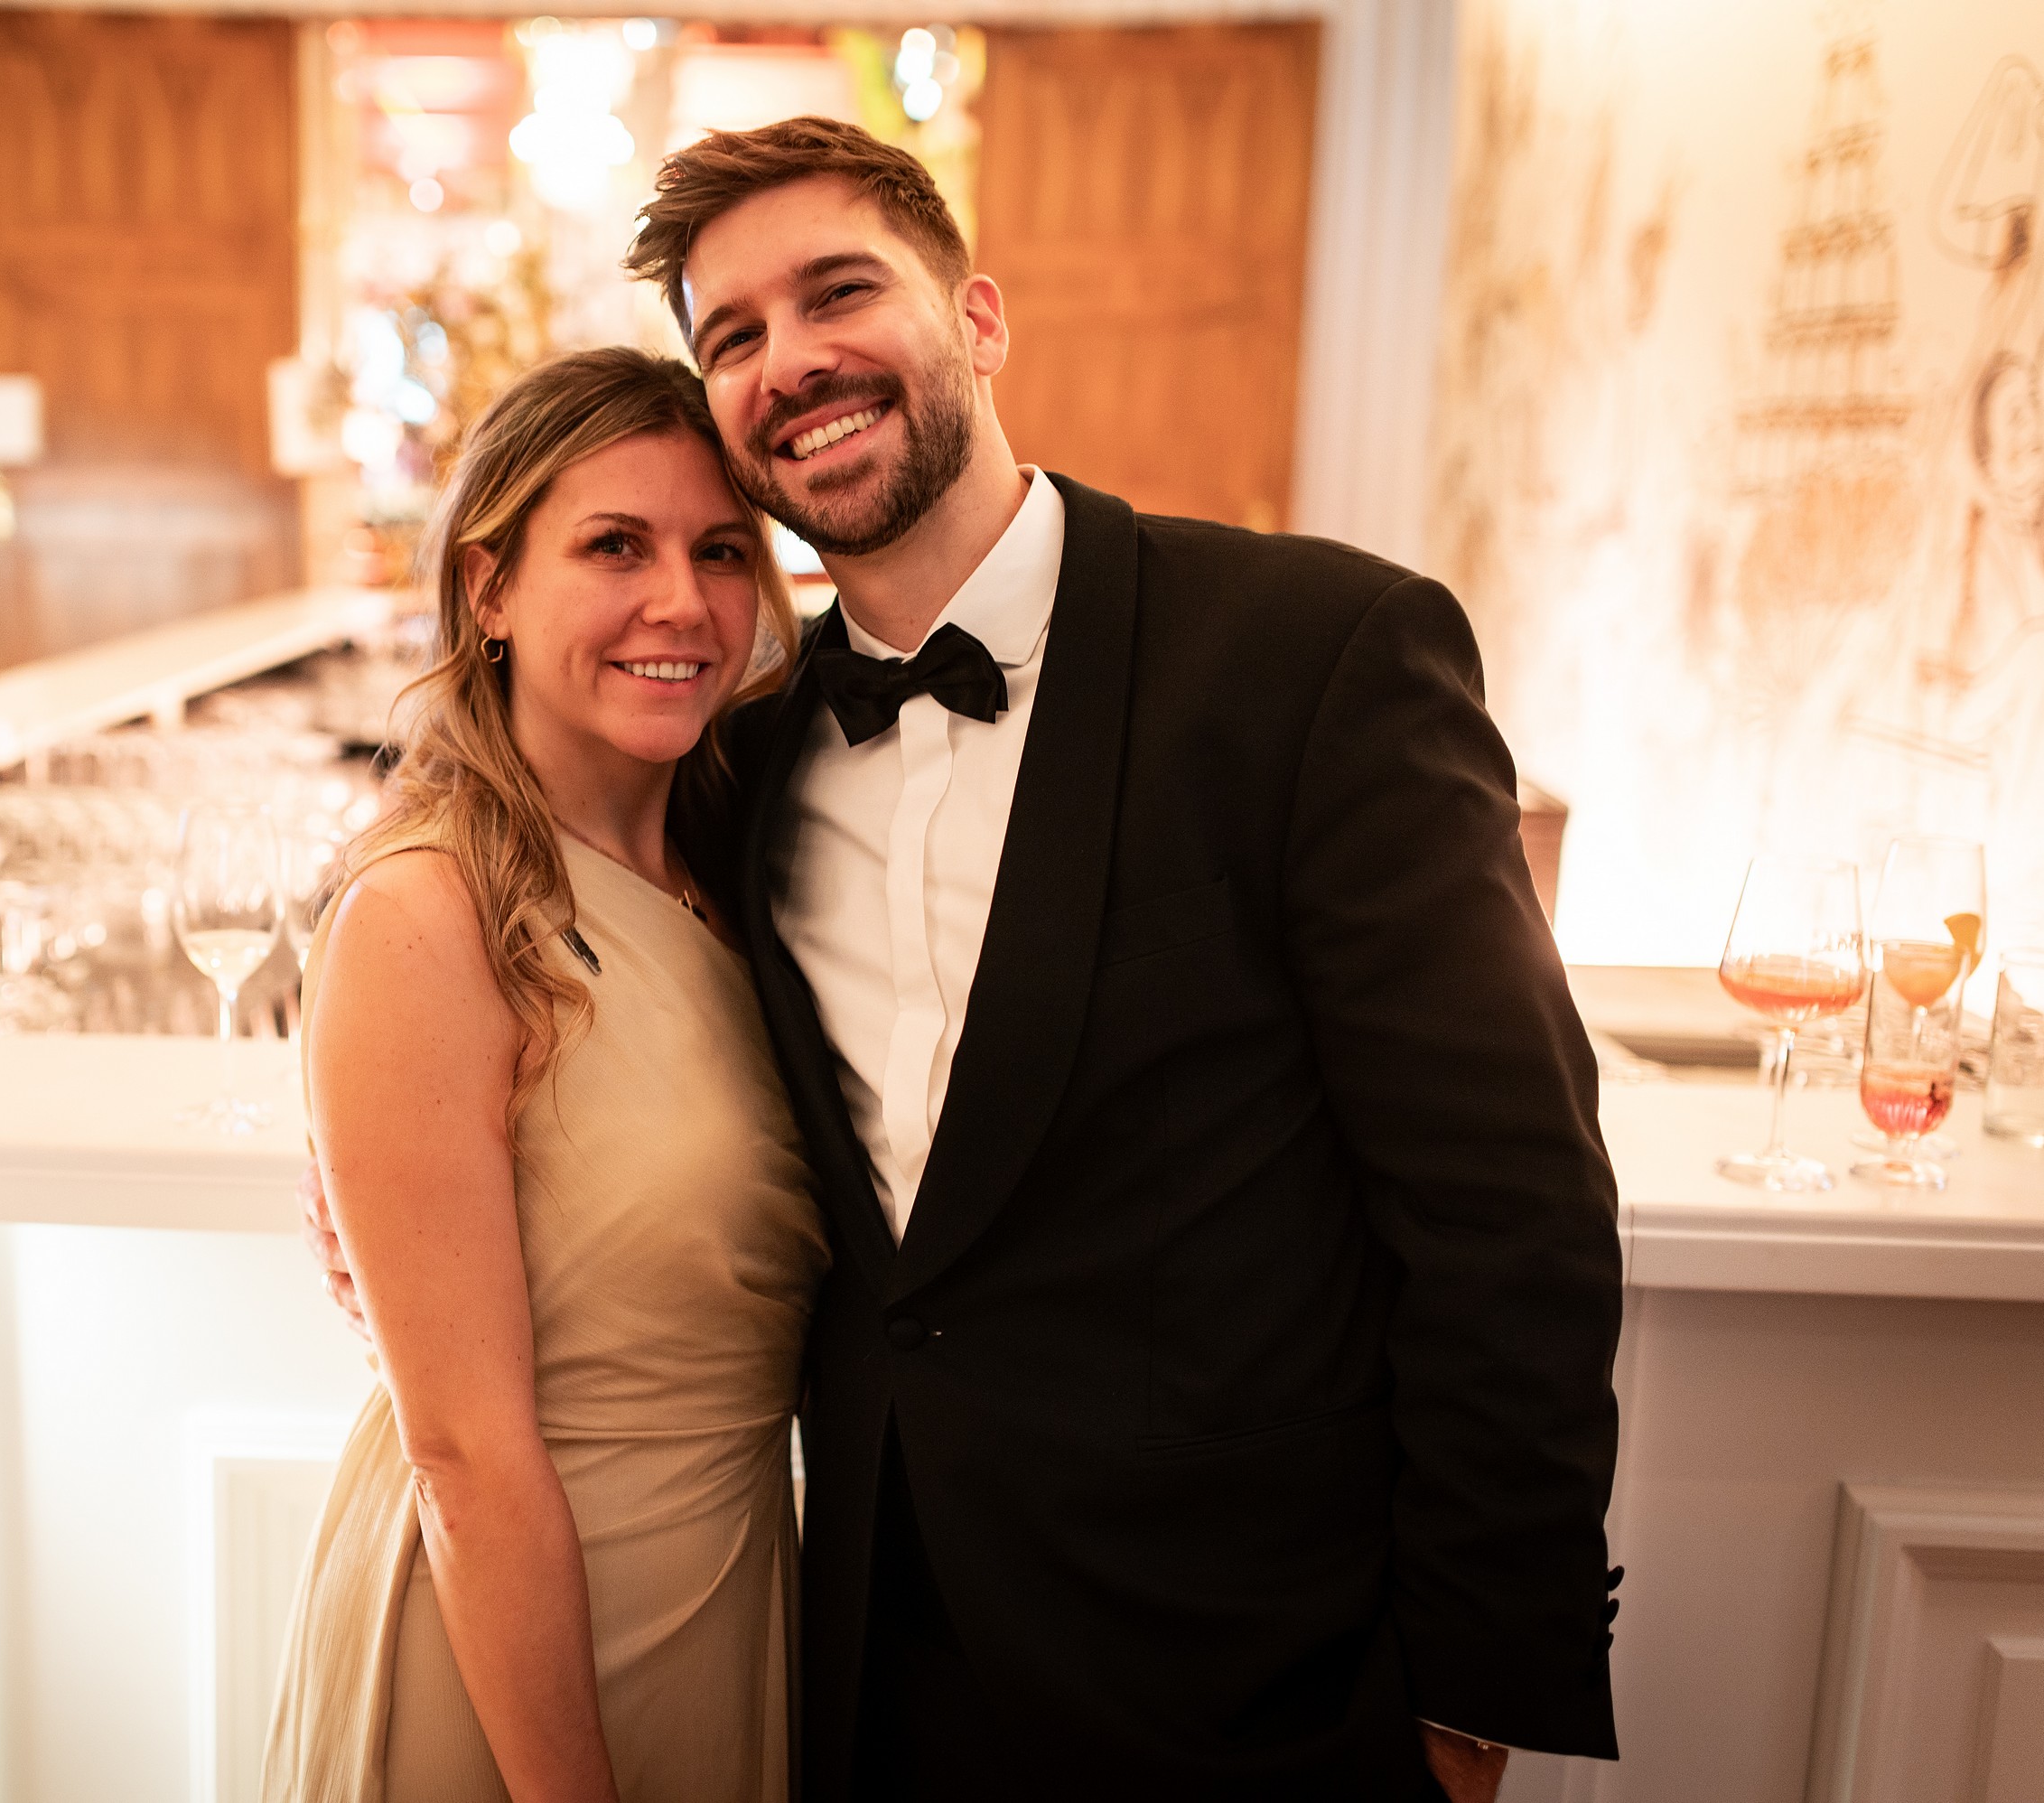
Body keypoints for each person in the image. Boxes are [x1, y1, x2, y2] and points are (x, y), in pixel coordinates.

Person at [309, 118, 1625, 1800]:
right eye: (734, 335)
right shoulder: (738, 765)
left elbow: (1511, 1202)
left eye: (838, 290)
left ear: (979, 318)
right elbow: (526, 1005)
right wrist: (362, 1152)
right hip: (877, 1675)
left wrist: (1474, 1691)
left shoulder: (1316, 657)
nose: (792, 359)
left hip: (1260, 1684)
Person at [261, 347, 828, 1803]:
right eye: (614, 546)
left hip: (733, 1583)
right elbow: (465, 1457)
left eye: (721, 551)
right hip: (523, 1654)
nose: (681, 602)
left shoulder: (745, 863)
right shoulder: (423, 913)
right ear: (490, 587)